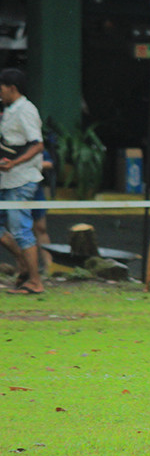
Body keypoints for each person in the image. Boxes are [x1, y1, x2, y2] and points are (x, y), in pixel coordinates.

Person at [0, 68, 45, 295]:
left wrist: (13, 163)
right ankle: (24, 264)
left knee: (21, 230)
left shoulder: (25, 110)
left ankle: (35, 281)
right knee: (15, 229)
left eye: (1, 87)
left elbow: (37, 144)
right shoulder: (10, 110)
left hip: (20, 179)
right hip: (8, 180)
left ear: (12, 88)